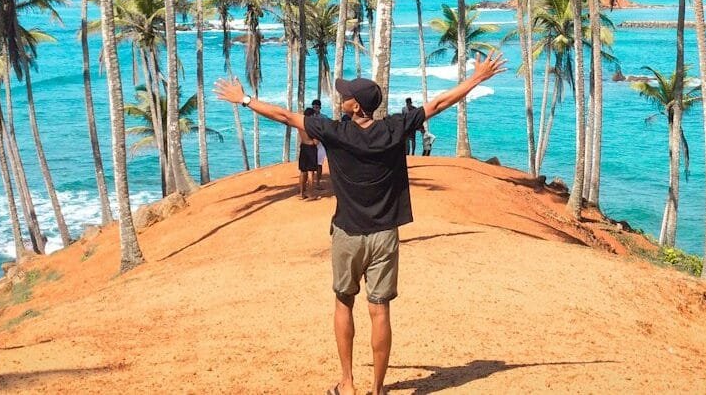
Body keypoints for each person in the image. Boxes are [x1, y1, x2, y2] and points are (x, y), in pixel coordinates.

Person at [215, 51, 507, 395]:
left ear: (356, 106)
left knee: (344, 302)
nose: (341, 97)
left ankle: (348, 383)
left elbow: (284, 116)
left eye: (346, 95)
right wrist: (476, 78)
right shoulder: (394, 129)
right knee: (379, 310)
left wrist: (244, 99)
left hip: (348, 234)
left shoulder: (334, 132)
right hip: (384, 235)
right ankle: (378, 388)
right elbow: (439, 104)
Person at [299, 99, 322, 199]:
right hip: (311, 148)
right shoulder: (312, 127)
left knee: (302, 171)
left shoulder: (300, 125)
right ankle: (311, 194)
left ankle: (301, 193)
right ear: (311, 116)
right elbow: (316, 142)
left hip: (303, 147)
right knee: (311, 172)